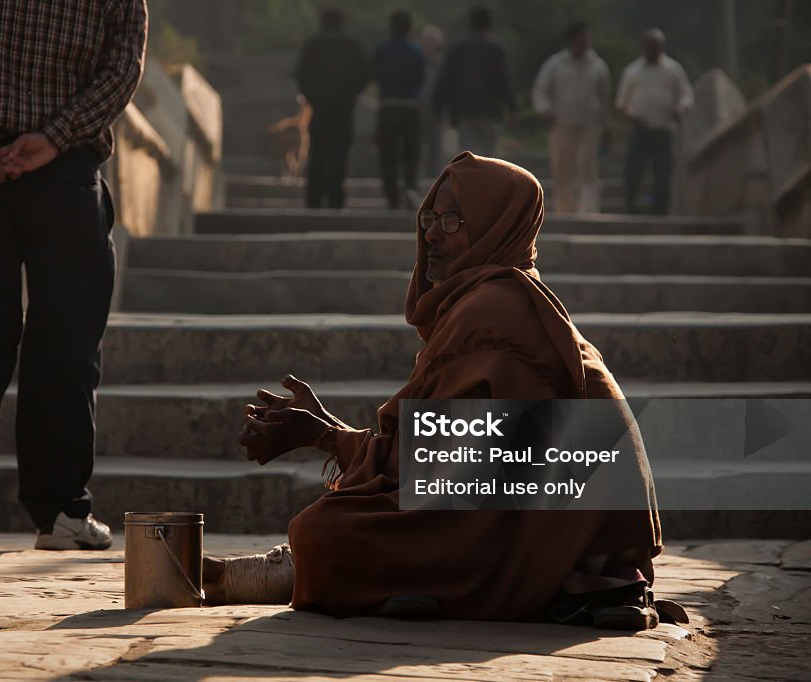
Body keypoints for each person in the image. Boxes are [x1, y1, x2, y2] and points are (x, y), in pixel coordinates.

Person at [221, 153, 670, 629]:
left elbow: (425, 467)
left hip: (563, 538)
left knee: (321, 532)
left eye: (453, 220)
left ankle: (455, 587)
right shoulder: (505, 298)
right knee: (344, 525)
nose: (433, 234)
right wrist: (326, 431)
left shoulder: (493, 310)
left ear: (498, 227)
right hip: (554, 521)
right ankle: (427, 585)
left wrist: (324, 437)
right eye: (430, 217)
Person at [0, 0, 148, 550]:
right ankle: (60, 510)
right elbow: (121, 68)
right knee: (63, 343)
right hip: (63, 182)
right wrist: (58, 136)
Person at [294, 9, 371, 209]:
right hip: (343, 108)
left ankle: (314, 197)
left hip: (318, 108)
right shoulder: (351, 45)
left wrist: (311, 96)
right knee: (339, 152)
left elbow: (300, 75)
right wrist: (351, 93)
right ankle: (335, 196)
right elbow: (366, 73)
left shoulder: (313, 45)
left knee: (317, 152)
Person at [532, 22, 611, 213]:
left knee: (588, 167)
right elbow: (540, 91)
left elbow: (605, 98)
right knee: (562, 168)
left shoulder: (598, 66)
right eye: (581, 39)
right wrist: (545, 109)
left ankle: (588, 212)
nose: (585, 43)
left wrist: (607, 126)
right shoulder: (555, 64)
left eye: (587, 40)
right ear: (571, 40)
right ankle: (565, 210)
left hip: (590, 124)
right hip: (562, 123)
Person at [616, 29, 694, 215]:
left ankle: (660, 210)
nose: (653, 50)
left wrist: (680, 108)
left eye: (657, 46)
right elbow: (621, 101)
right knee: (633, 169)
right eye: (650, 46)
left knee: (663, 173)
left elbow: (686, 95)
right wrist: (629, 115)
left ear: (662, 47)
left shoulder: (673, 69)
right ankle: (630, 205)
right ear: (643, 47)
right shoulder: (632, 71)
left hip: (664, 129)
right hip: (640, 129)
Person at [433, 5, 516, 158]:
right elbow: (505, 79)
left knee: (467, 156)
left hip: (463, 110)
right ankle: (487, 182)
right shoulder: (496, 47)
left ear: (469, 23)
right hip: (491, 110)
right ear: (489, 23)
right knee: (489, 156)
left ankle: (470, 182)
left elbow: (445, 79)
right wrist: (512, 109)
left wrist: (438, 109)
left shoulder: (457, 47)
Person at [372, 10, 426, 210]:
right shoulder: (416, 51)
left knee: (388, 152)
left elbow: (375, 75)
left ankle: (391, 195)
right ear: (409, 28)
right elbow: (421, 78)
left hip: (388, 106)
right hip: (410, 107)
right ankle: (410, 188)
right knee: (411, 151)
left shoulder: (381, 49)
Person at [419, 25, 446, 177]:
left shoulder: (441, 64)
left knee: (436, 146)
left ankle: (434, 177)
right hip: (420, 107)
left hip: (437, 109)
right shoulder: (418, 61)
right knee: (420, 145)